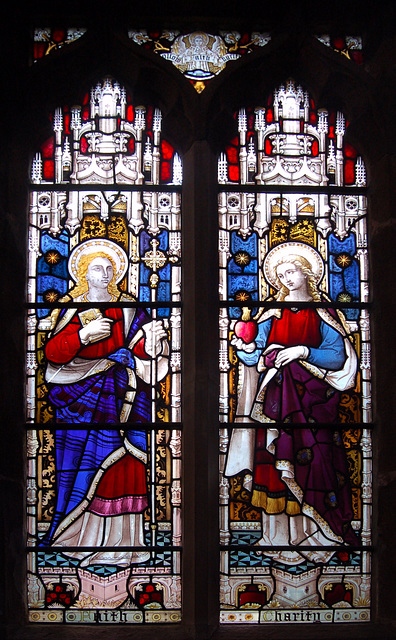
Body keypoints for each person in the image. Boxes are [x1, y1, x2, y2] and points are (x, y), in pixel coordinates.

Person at [225, 241, 359, 565]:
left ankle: (314, 538)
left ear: (306, 272)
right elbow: (255, 352)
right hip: (276, 404)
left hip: (315, 406)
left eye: (291, 271)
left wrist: (301, 352)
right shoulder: (272, 313)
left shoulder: (322, 312)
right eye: (281, 274)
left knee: (314, 465)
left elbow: (338, 354)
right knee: (275, 466)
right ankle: (277, 538)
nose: (286, 278)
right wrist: (243, 344)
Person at [41, 239, 169, 567]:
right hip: (80, 401)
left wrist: (151, 344)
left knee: (126, 465)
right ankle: (78, 538)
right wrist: (83, 336)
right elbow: (53, 354)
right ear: (83, 272)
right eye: (98, 267)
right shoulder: (74, 306)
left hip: (123, 398)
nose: (106, 272)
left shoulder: (128, 307)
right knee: (81, 468)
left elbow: (144, 351)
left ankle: (126, 542)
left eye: (111, 267)